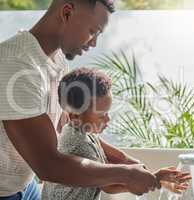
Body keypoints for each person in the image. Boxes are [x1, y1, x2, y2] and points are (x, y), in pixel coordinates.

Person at [0, 0, 167, 199]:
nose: (94, 43)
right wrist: (126, 174)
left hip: (26, 187)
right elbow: (48, 165)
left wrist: (122, 160)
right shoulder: (16, 64)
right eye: (92, 31)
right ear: (67, 12)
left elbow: (67, 125)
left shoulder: (56, 59)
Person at [41, 67, 191, 200]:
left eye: (107, 112)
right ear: (75, 116)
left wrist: (152, 176)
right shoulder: (78, 147)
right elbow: (108, 187)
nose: (108, 119)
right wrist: (156, 180)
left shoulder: (82, 130)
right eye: (101, 115)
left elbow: (120, 157)